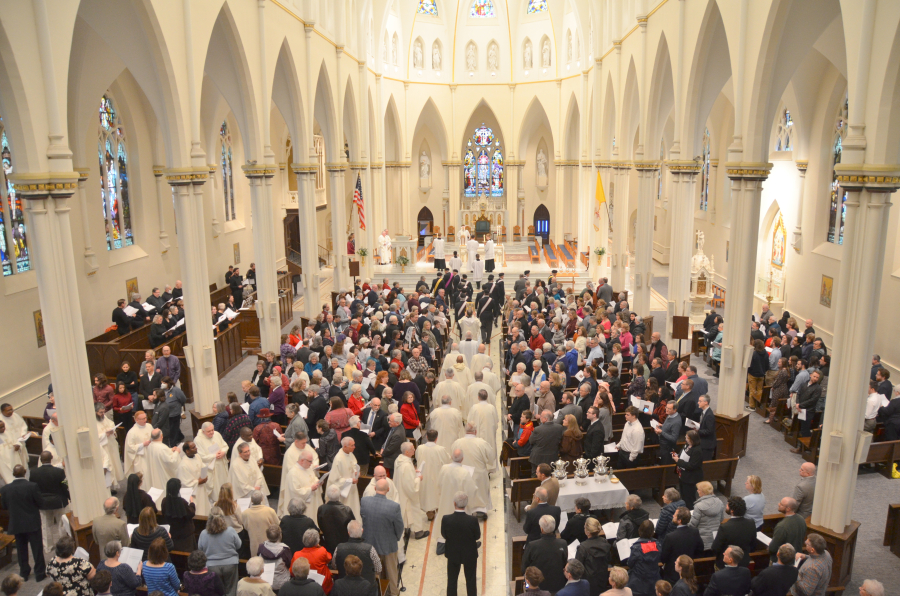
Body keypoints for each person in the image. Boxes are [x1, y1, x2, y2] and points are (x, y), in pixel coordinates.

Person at [0, 464, 47, 581]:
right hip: (32, 522)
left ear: (13, 474)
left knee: (21, 549)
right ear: (25, 472)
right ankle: (40, 573)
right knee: (37, 549)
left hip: (16, 523)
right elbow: (40, 503)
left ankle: (24, 572)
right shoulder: (32, 486)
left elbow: (4, 506)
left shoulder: (5, 489)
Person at [360, 478, 405, 596]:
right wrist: (395, 537)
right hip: (388, 544)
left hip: (370, 544)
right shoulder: (393, 506)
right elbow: (399, 527)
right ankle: (394, 593)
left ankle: (378, 592)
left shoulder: (364, 501)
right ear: (388, 489)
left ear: (375, 488)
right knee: (391, 571)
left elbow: (364, 519)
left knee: (375, 571)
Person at [441, 491, 481, 596]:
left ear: (454, 503)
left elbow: (444, 534)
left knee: (452, 580)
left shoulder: (446, 519)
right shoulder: (472, 520)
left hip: (453, 553)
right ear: (466, 504)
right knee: (471, 580)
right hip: (469, 554)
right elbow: (477, 536)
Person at [30, 450, 70, 554]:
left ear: (40, 460)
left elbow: (33, 489)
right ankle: (63, 544)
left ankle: (48, 547)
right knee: (61, 524)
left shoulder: (34, 473)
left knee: (46, 525)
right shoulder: (59, 472)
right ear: (51, 458)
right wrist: (68, 497)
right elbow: (65, 486)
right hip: (58, 501)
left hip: (43, 503)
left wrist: (36, 502)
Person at [199, 507, 243, 596]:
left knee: (216, 591)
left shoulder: (204, 533)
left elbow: (200, 550)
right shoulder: (230, 530)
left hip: (212, 566)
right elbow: (239, 545)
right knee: (231, 590)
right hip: (230, 564)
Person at [522, 515, 567, 594]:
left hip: (538, 586)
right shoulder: (562, 543)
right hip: (558, 585)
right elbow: (564, 563)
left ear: (541, 529)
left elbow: (525, 566)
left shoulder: (532, 545)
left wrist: (527, 585)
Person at [659, 508, 703, 584]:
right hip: (689, 570)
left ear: (679, 520)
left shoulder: (670, 537)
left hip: (673, 573)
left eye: (675, 515)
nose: (673, 515)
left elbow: (663, 557)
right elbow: (700, 549)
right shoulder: (695, 532)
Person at [574, 517, 611, 595]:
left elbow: (578, 566)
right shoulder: (605, 542)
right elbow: (609, 559)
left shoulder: (583, 547)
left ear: (587, 532)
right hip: (603, 579)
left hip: (588, 582)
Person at [626, 521, 661, 596]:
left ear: (640, 531)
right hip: (654, 580)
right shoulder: (657, 545)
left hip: (638, 583)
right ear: (652, 532)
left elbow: (630, 564)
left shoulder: (636, 547)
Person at [241, 490, 279, 558]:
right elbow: (277, 525)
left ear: (251, 500)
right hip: (269, 545)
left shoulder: (245, 513)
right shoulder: (270, 511)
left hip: (254, 544)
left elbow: (245, 527)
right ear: (262, 499)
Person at [769, 497, 807, 561]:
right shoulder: (801, 519)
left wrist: (770, 545)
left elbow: (773, 549)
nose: (778, 504)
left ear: (788, 509)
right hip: (796, 558)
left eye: (781, 504)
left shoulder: (782, 526)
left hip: (782, 560)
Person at [673, 430, 704, 509]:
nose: (685, 439)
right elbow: (682, 453)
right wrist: (677, 455)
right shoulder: (687, 445)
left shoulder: (697, 450)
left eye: (687, 438)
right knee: (683, 495)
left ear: (692, 439)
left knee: (689, 497)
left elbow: (692, 465)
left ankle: (690, 511)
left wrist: (678, 461)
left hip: (691, 478)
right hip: (683, 475)